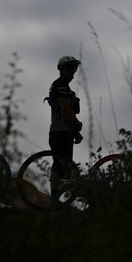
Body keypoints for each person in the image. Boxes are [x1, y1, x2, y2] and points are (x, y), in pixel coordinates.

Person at [46, 55, 83, 197]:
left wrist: (75, 132)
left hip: (63, 130)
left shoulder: (66, 88)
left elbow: (68, 112)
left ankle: (57, 200)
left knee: (64, 168)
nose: (72, 71)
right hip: (60, 131)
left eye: (74, 68)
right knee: (60, 165)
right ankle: (55, 200)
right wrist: (76, 125)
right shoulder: (60, 84)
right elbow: (66, 110)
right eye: (68, 67)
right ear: (60, 69)